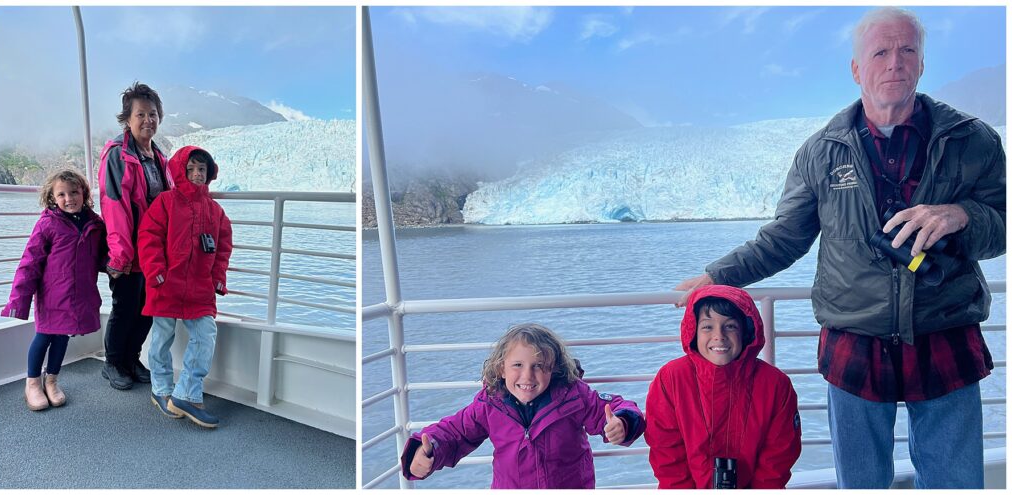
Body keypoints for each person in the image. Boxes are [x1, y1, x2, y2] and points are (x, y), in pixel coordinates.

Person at [674, 7, 1004, 489]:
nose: (895, 62)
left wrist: (962, 216)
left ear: (923, 63)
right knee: (861, 483)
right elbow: (784, 237)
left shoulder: (971, 140)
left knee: (956, 482)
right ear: (856, 69)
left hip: (945, 332)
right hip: (854, 341)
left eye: (908, 50)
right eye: (881, 52)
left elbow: (1003, 224)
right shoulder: (820, 151)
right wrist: (716, 276)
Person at [399, 323, 646, 488]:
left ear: (554, 369)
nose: (527, 376)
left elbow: (613, 407)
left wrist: (622, 422)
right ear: (501, 369)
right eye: (518, 365)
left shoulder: (573, 396)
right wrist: (426, 451)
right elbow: (454, 432)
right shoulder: (490, 403)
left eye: (539, 366)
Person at [646, 285, 800, 488]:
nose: (719, 335)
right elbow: (666, 453)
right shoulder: (671, 379)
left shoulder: (776, 385)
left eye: (730, 326)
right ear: (693, 331)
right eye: (707, 327)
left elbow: (779, 456)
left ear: (746, 331)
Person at [137, 146, 232, 428]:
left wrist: (218, 277)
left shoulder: (215, 211)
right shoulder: (165, 202)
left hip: (200, 287)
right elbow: (148, 237)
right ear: (180, 171)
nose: (196, 174)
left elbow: (224, 246)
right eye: (190, 169)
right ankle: (161, 388)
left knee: (205, 334)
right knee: (161, 338)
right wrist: (156, 273)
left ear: (210, 173)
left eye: (202, 169)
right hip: (165, 284)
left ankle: (187, 393)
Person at [1, 169, 107, 411]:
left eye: (74, 192)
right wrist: (19, 299)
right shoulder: (48, 224)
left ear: (84, 194)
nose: (69, 199)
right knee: (44, 336)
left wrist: (113, 265)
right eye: (61, 194)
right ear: (52, 197)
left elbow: (100, 257)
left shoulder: (95, 223)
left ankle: (52, 380)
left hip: (78, 295)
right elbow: (29, 262)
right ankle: (33, 384)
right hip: (51, 295)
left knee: (62, 337)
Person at [97, 82, 170, 390]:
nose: (147, 120)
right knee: (125, 306)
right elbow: (114, 206)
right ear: (127, 118)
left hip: (153, 251)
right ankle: (113, 363)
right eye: (140, 114)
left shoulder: (158, 156)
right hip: (127, 250)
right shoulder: (118, 155)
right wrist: (120, 255)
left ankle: (131, 358)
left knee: (147, 308)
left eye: (152, 114)